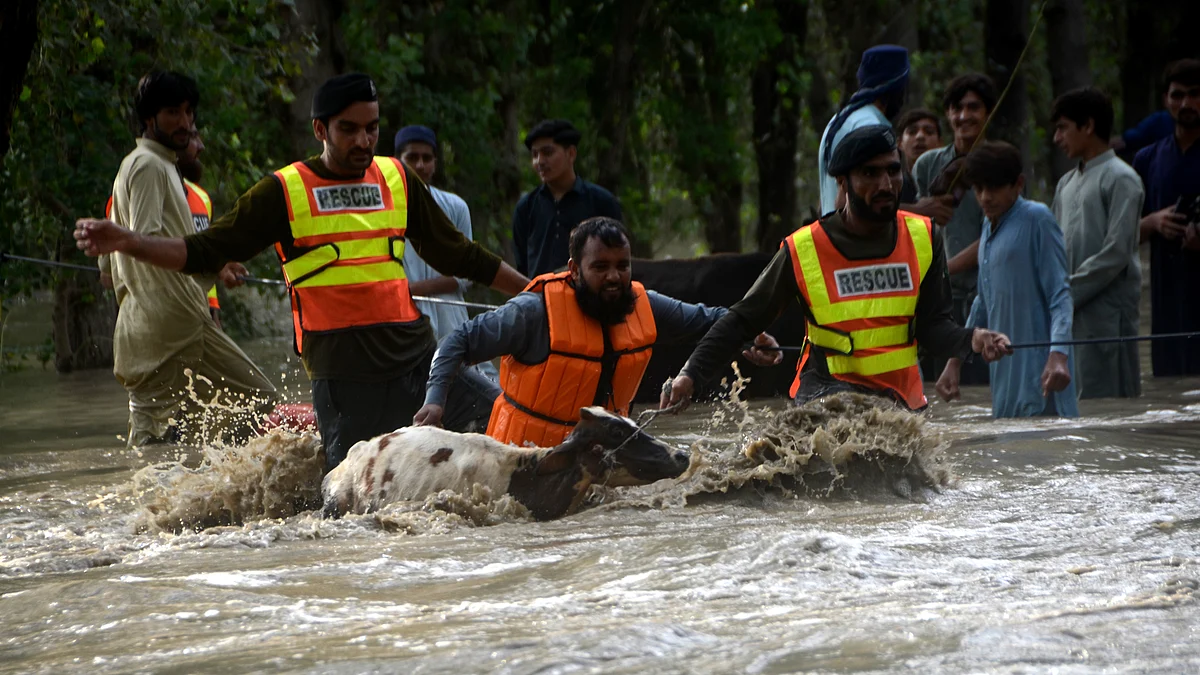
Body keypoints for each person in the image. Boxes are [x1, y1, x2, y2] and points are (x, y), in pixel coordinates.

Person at [75, 73, 530, 472]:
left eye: (371, 129)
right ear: (320, 129)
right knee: (347, 511)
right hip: (345, 383)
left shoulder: (396, 177)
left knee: (516, 433)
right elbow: (203, 250)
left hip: (417, 363)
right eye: (348, 130)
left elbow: (460, 255)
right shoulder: (283, 191)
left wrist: (535, 292)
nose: (363, 142)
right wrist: (129, 241)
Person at [662, 125, 1011, 413]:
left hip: (901, 407)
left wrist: (972, 339)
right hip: (825, 403)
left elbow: (934, 328)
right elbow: (742, 320)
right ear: (843, 182)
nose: (886, 185)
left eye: (892, 170)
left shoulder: (925, 237)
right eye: (870, 174)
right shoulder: (803, 248)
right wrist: (689, 375)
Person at [414, 217, 783, 446]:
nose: (614, 277)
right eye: (601, 267)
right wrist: (435, 400)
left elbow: (710, 318)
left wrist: (751, 334)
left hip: (603, 453)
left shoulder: (644, 304)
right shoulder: (532, 312)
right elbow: (457, 341)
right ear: (574, 269)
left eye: (623, 266)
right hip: (524, 458)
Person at [96, 72, 276, 447]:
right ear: (149, 118)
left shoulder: (143, 164)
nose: (185, 122)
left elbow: (110, 270)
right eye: (173, 112)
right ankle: (220, 484)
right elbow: (143, 246)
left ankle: (179, 494)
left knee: (158, 433)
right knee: (261, 399)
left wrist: (215, 268)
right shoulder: (148, 166)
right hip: (176, 325)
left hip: (144, 327)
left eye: (189, 112)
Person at [936, 142, 1076, 417]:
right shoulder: (988, 226)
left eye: (995, 188)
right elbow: (983, 302)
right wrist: (955, 361)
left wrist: (1059, 355)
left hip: (1044, 377)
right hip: (1005, 382)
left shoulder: (1038, 219)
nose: (985, 197)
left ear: (1019, 184)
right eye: (978, 189)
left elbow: (1061, 295)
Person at [1051, 87, 1144, 399]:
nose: (1056, 138)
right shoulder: (1066, 183)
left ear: (1088, 126)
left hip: (1108, 319)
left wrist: (1067, 292)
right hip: (1070, 317)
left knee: (1112, 409)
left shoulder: (1122, 178)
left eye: (1062, 127)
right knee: (1075, 410)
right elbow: (1053, 250)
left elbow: (1117, 253)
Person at [913, 73, 999, 386]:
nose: (964, 116)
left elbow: (995, 239)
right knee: (941, 390)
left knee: (983, 388)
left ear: (988, 112)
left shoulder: (1000, 164)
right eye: (956, 108)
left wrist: (944, 269)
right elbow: (917, 228)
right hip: (938, 304)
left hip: (985, 295)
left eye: (973, 107)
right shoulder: (926, 165)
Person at [393, 125, 498, 379]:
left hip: (450, 318)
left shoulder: (455, 206)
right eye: (412, 158)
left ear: (435, 162)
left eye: (427, 158)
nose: (420, 165)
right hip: (404, 322)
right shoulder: (386, 209)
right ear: (397, 161)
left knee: (475, 385)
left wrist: (411, 290)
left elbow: (464, 276)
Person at [102, 126, 224, 326]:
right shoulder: (132, 192)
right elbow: (108, 276)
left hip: (202, 310)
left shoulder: (202, 198)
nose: (200, 146)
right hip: (156, 318)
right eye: (192, 137)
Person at [1134, 59, 1200, 377]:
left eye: (1195, 94)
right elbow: (1122, 235)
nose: (1186, 103)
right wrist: (1152, 223)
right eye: (1177, 95)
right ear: (1165, 100)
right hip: (1165, 299)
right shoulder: (1147, 159)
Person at [511, 119, 622, 277]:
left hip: (589, 298)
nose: (539, 161)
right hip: (540, 297)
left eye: (547, 153)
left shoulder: (602, 202)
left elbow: (618, 257)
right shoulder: (526, 207)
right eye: (535, 155)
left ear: (571, 153)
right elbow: (522, 265)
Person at [895, 108, 942, 204]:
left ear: (940, 143)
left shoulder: (949, 183)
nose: (920, 136)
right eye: (912, 132)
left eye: (929, 132)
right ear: (899, 143)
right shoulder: (893, 186)